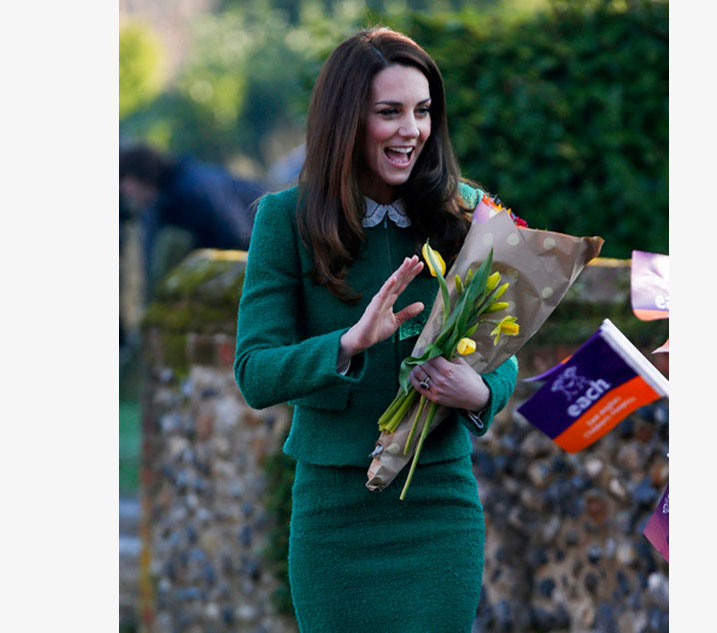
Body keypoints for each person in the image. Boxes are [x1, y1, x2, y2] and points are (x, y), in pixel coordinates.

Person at [233, 27, 518, 633]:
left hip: (439, 506)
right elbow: (254, 372)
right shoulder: (284, 221)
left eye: (421, 111)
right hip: (334, 512)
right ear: (346, 121)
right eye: (389, 112)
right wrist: (347, 344)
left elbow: (504, 342)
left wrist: (483, 393)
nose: (411, 130)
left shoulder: (468, 213)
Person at [119, 144, 264, 298]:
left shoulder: (193, 188)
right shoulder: (164, 202)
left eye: (123, 187)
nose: (126, 195)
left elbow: (237, 235)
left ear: (134, 179)